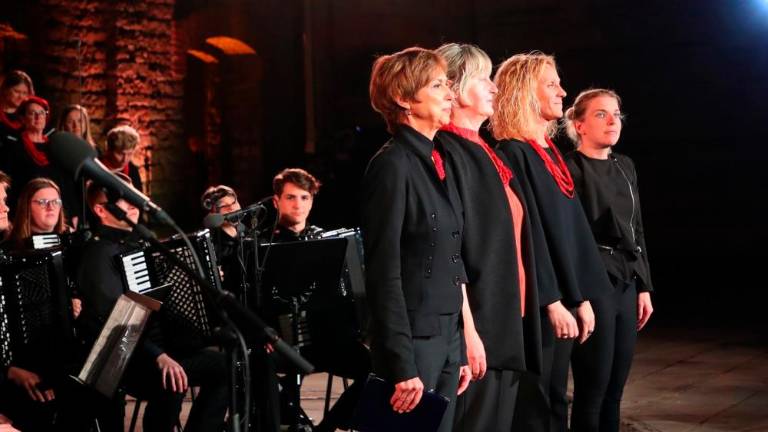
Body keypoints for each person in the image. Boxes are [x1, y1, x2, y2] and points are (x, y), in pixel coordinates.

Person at [491, 52, 612, 432]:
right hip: (543, 303)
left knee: (557, 398)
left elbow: (568, 230)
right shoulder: (513, 152)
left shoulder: (548, 150)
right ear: (525, 91)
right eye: (551, 84)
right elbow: (529, 235)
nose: (562, 92)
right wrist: (553, 301)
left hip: (564, 296)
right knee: (538, 405)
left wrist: (581, 297)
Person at [361, 46, 471, 432]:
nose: (450, 94)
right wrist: (401, 364)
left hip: (446, 336)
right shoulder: (392, 165)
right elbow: (382, 271)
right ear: (404, 99)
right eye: (437, 85)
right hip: (412, 343)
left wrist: (458, 346)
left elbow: (450, 258)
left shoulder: (437, 160)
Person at [435, 43, 542, 432]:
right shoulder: (447, 151)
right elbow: (451, 250)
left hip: (506, 318)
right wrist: (468, 332)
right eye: (483, 79)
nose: (494, 87)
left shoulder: (485, 151)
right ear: (456, 87)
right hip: (478, 323)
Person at [73, 175, 229, 432]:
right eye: (122, 200)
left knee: (225, 364)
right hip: (124, 362)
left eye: (131, 196)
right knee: (174, 378)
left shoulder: (138, 243)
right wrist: (159, 355)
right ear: (100, 210)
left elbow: (157, 300)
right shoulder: (99, 254)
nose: (132, 204)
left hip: (157, 347)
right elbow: (117, 323)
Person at [563, 89, 654, 432]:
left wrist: (643, 286)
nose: (612, 121)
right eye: (601, 114)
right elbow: (569, 236)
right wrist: (578, 296)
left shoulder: (625, 166)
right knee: (592, 391)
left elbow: (637, 228)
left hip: (626, 281)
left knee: (615, 392)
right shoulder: (569, 167)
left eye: (616, 114)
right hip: (594, 280)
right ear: (579, 125)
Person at [1, 96, 80, 224]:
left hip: (57, 212)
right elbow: (7, 185)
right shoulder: (13, 147)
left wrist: (74, 213)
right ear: (23, 118)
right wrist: (8, 218)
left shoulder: (56, 146)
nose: (38, 117)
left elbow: (66, 183)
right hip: (24, 214)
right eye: (32, 113)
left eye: (41, 113)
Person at [7, 177, 69, 250]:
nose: (51, 207)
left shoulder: (68, 241)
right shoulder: (13, 248)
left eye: (55, 202)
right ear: (26, 206)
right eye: (43, 202)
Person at [100, 124, 143, 192]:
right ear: (109, 150)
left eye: (129, 154)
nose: (124, 159)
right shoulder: (97, 167)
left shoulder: (133, 170)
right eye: (120, 154)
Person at [0, 70, 34, 137]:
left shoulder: (27, 117)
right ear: (5, 90)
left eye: (24, 93)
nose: (21, 97)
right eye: (17, 91)